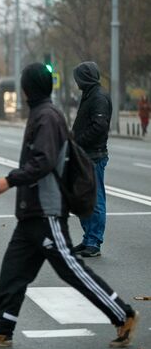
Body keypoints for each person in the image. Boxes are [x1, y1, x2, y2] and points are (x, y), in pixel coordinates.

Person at [0, 63, 139, 349]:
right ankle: (2, 327)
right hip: (31, 213)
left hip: (46, 210)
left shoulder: (46, 116)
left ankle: (123, 314)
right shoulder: (42, 113)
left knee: (72, 269)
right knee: (13, 270)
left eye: (24, 85)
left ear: (29, 88)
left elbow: (44, 161)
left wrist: (9, 180)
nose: (21, 90)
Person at [71, 62, 111, 257]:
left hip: (94, 156)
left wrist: (77, 140)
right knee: (84, 199)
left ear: (84, 78)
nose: (76, 82)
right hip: (85, 156)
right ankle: (88, 239)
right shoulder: (90, 94)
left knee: (95, 200)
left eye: (78, 78)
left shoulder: (98, 97)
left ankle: (94, 242)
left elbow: (99, 127)